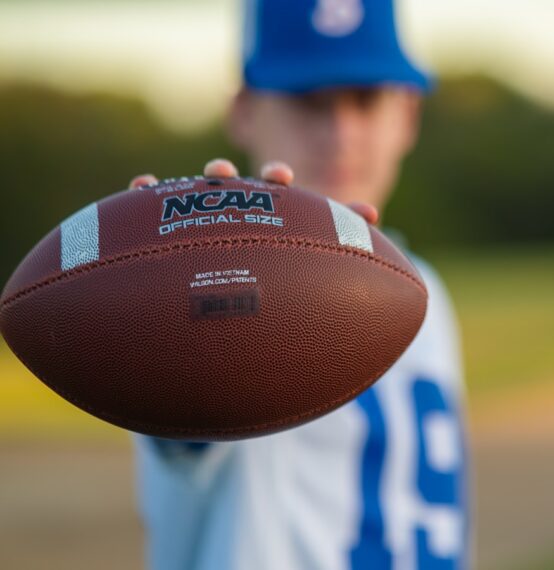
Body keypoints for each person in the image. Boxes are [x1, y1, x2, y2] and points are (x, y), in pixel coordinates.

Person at [128, 1, 470, 569]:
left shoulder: (424, 292)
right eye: (308, 101)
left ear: (408, 115)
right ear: (243, 111)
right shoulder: (231, 298)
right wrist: (169, 300)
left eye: (366, 99)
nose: (340, 133)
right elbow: (192, 425)